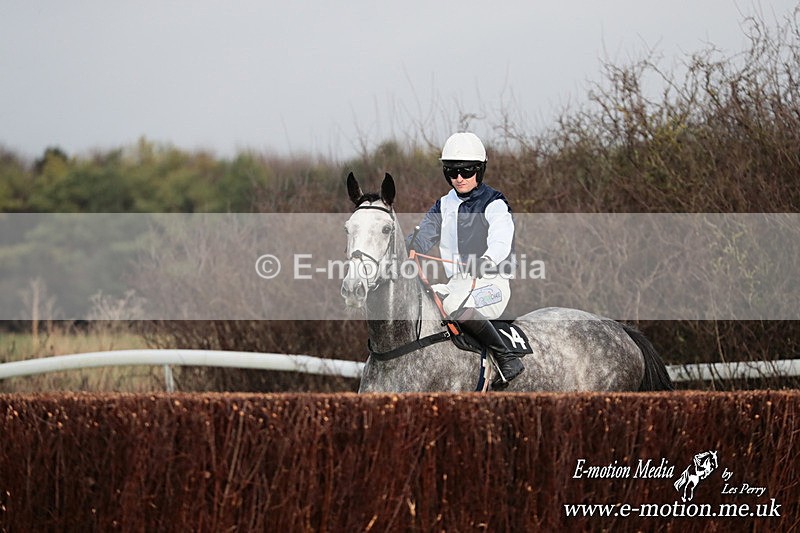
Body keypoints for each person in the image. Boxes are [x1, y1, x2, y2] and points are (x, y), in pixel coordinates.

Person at [407, 132, 523, 388]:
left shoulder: (495, 203)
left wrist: (487, 260)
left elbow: (501, 241)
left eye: (467, 171)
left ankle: (507, 358)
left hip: (491, 284)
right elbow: (423, 236)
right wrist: (405, 248)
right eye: (451, 171)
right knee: (421, 303)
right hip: (457, 284)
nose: (458, 178)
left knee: (457, 308)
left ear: (479, 170)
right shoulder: (443, 205)